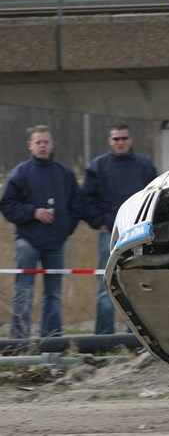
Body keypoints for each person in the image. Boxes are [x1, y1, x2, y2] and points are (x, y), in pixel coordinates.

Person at [0, 125, 84, 339]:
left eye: (46, 141)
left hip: (56, 243)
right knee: (23, 293)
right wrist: (33, 212)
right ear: (30, 145)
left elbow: (77, 205)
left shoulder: (65, 174)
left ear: (52, 144)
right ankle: (19, 341)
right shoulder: (20, 173)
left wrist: (66, 228)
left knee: (54, 295)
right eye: (38, 142)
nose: (42, 146)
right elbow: (7, 204)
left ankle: (52, 339)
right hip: (27, 242)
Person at [80, 123, 158, 335]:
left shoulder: (145, 166)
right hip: (109, 233)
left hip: (138, 234)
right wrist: (99, 221)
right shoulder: (97, 166)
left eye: (124, 138)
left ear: (131, 140)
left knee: (137, 285)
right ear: (110, 141)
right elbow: (85, 199)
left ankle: (138, 336)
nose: (120, 142)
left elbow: (155, 197)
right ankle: (103, 337)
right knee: (106, 286)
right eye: (116, 139)